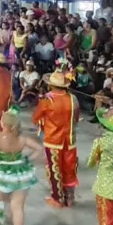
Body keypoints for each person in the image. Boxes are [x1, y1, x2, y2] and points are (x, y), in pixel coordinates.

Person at [0, 107, 41, 225]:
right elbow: (39, 149)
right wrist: (27, 158)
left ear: (2, 124)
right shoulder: (22, 139)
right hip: (19, 174)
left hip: (0, 173)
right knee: (17, 207)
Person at [32, 70, 80, 208]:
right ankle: (70, 197)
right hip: (70, 139)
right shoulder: (73, 99)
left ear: (51, 86)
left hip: (53, 139)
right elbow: (76, 118)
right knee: (69, 168)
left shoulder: (47, 100)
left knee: (55, 169)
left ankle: (57, 198)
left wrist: (44, 122)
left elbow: (35, 118)